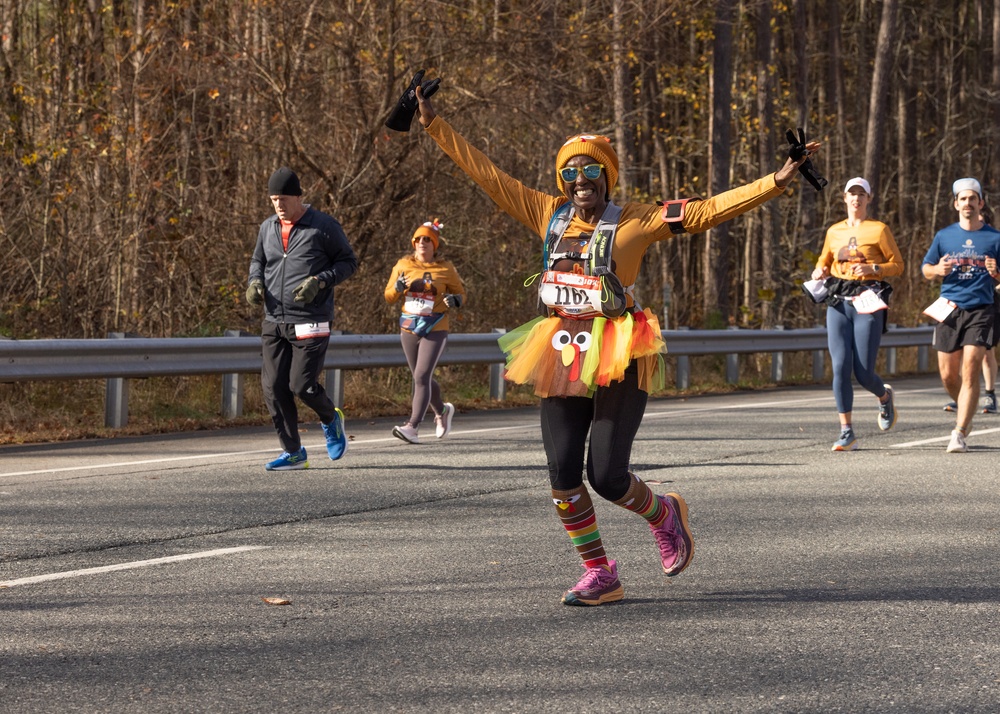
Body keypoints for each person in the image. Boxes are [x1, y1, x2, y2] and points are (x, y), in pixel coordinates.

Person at [406, 74, 821, 606]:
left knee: (605, 474)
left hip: (620, 346)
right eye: (571, 171)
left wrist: (778, 179)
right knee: (561, 474)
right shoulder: (545, 213)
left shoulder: (635, 220)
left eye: (592, 169)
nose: (581, 178)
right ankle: (601, 572)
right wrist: (435, 125)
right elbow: (488, 175)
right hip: (559, 347)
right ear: (562, 180)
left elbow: (707, 210)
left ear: (608, 176)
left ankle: (665, 514)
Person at [247, 167, 358, 470]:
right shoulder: (267, 228)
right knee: (273, 388)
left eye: (283, 198)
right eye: (273, 199)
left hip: (311, 318)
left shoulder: (322, 226)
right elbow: (258, 260)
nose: (278, 205)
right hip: (274, 319)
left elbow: (349, 262)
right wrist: (254, 283)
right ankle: (294, 451)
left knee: (301, 385)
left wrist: (320, 281)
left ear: (298, 196)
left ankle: (330, 418)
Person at [810, 177, 903, 451]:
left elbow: (898, 265)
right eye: (852, 194)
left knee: (863, 372)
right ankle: (846, 431)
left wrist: (874, 269)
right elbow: (823, 261)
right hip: (838, 302)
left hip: (867, 301)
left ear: (868, 199)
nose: (856, 199)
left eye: (862, 194)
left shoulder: (879, 230)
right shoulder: (834, 231)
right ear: (844, 198)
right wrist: (819, 271)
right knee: (839, 366)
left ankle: (884, 397)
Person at [921, 177, 1000, 453]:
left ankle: (959, 432)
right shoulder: (944, 236)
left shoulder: (995, 238)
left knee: (970, 369)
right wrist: (937, 270)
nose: (968, 203)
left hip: (981, 309)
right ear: (956, 204)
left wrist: (996, 273)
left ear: (981, 203)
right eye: (962, 199)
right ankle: (969, 404)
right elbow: (926, 269)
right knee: (947, 376)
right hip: (949, 309)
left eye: (972, 198)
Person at [384, 219, 466, 444]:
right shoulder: (403, 265)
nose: (422, 243)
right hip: (409, 327)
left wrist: (455, 300)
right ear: (413, 243)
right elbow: (388, 296)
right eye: (418, 239)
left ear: (435, 244)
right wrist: (397, 289)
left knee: (421, 376)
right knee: (422, 377)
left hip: (435, 327)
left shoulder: (445, 268)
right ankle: (442, 411)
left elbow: (461, 294)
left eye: (427, 239)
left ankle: (412, 426)